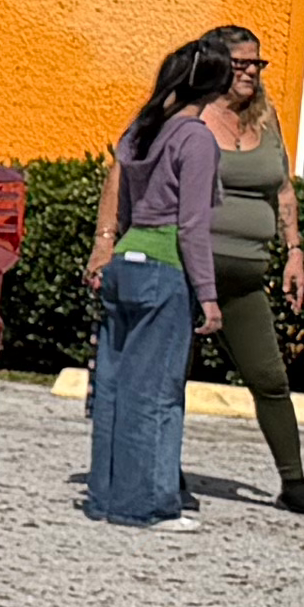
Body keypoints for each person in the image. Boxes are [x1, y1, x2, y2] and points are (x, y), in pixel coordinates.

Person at [85, 34, 240, 526]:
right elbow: (192, 225)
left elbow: (126, 206)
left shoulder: (140, 131)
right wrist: (210, 298)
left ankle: (106, 498)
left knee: (113, 389)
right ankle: (148, 505)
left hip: (125, 263)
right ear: (216, 83)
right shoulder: (196, 139)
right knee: (157, 393)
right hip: (164, 269)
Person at [197, 22, 304, 523]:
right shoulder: (192, 116)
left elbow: (282, 189)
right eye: (240, 64)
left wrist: (294, 250)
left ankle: (294, 484)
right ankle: (156, 473)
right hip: (189, 271)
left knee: (269, 378)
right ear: (216, 65)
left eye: (256, 64)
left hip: (245, 278)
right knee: (168, 375)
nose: (250, 74)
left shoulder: (267, 118)